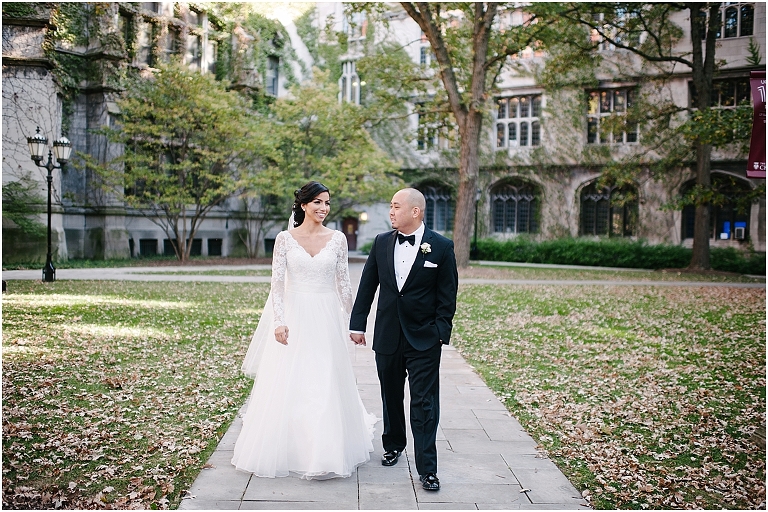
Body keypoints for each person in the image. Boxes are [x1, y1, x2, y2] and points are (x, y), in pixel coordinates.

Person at [232, 181, 375, 480]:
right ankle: (291, 447)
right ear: (303, 205)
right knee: (292, 379)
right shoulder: (284, 239)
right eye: (317, 203)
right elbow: (277, 285)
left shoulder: (337, 239)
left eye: (327, 203)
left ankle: (324, 451)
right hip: (295, 315)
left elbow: (344, 285)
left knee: (323, 379)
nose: (323, 208)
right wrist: (279, 321)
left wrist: (356, 322)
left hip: (325, 317)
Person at [349, 188, 458, 491]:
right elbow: (368, 285)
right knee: (391, 395)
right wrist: (357, 324)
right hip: (387, 335)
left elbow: (448, 295)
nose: (391, 212)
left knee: (424, 403)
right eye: (390, 207)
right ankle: (393, 444)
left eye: (396, 207)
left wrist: (440, 332)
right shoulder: (382, 243)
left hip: (424, 339)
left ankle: (427, 468)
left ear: (416, 211)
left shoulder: (441, 247)